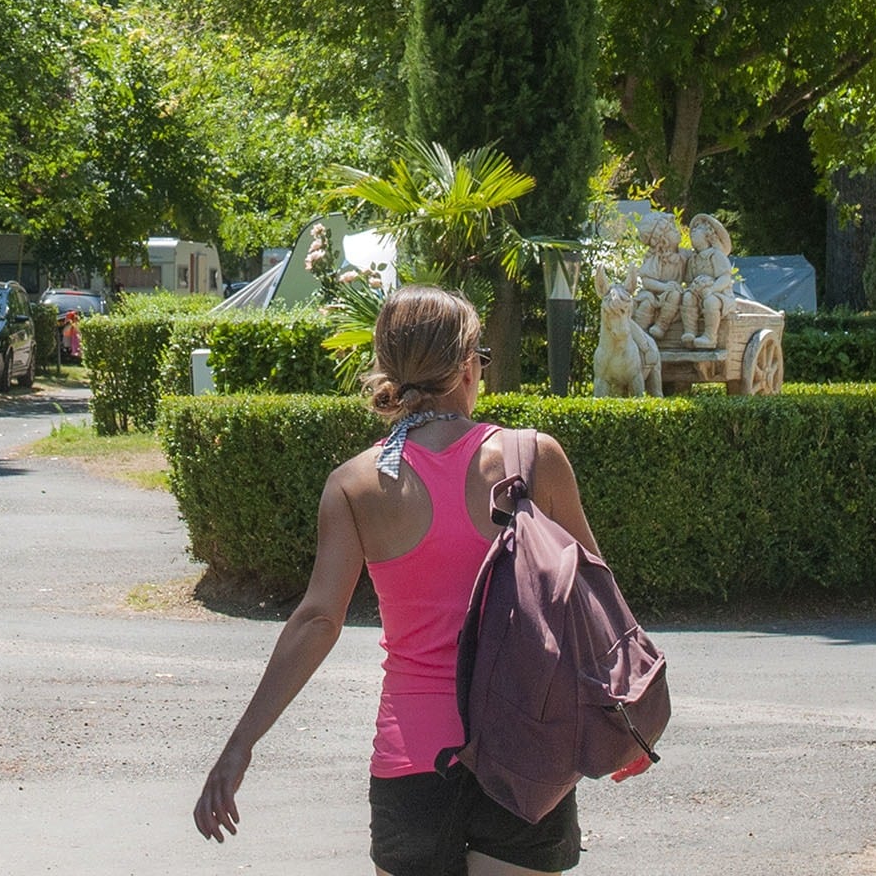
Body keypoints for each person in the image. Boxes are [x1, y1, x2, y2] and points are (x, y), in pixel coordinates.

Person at [194, 285, 610, 874]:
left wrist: (241, 745)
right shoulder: (533, 458)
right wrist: (615, 715)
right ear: (468, 367)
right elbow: (592, 599)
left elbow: (317, 620)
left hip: (412, 760)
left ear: (389, 370)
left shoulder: (356, 484)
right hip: (526, 751)